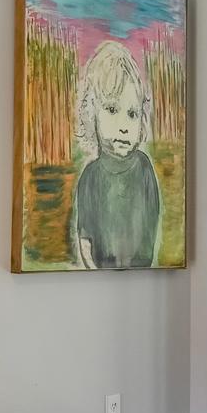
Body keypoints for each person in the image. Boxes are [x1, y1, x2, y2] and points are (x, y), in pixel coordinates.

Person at [70, 41, 161, 269]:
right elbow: (85, 241)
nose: (124, 126)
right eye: (112, 109)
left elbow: (150, 227)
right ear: (92, 112)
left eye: (132, 113)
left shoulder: (144, 168)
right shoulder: (90, 177)